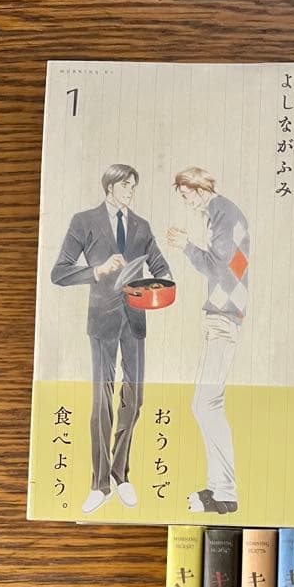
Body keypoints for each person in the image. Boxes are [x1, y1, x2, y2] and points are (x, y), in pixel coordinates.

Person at [51, 164, 171, 514]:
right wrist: (97, 270)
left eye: (134, 185)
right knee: (101, 404)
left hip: (135, 320)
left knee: (135, 400)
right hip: (101, 320)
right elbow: (59, 272)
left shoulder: (141, 226)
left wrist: (160, 283)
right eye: (125, 185)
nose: (131, 190)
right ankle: (99, 483)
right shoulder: (84, 221)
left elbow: (161, 267)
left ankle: (120, 474)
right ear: (109, 188)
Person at [167, 167, 249, 515]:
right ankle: (219, 489)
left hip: (225, 314)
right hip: (223, 312)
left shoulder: (222, 213)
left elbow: (218, 268)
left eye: (187, 196)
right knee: (206, 404)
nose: (187, 203)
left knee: (206, 405)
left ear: (200, 190)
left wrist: (185, 246)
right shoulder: (223, 213)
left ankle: (225, 493)